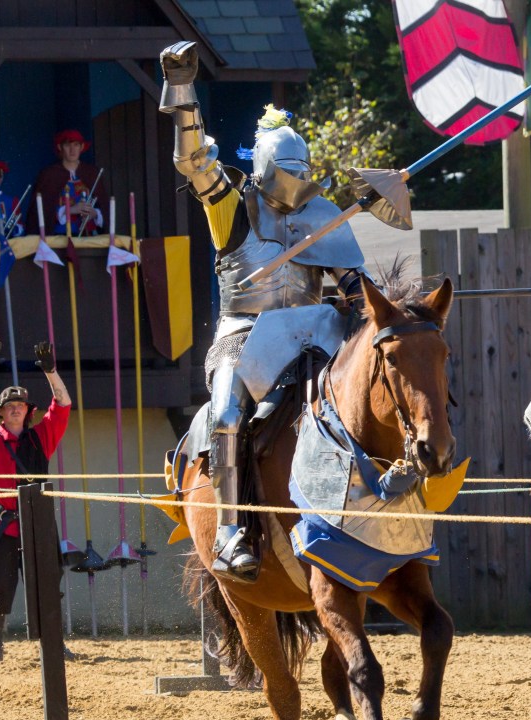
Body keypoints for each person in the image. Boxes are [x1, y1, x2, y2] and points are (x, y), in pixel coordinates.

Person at [159, 41, 374, 580]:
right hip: (245, 335)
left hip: (312, 334)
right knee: (230, 416)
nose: (295, 185)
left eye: (302, 172)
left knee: (367, 398)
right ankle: (231, 531)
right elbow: (193, 160)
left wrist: (373, 306)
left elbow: (351, 283)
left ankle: (378, 520)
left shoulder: (322, 217)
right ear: (264, 169)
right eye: (286, 171)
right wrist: (184, 95)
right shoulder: (233, 206)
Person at [0, 338, 72, 663]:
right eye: (9, 406)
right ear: (0, 412)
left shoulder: (42, 437)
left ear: (27, 411)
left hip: (39, 523)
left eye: (21, 405)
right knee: (0, 589)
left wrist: (51, 371)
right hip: (6, 526)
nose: (15, 408)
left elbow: (63, 404)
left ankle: (53, 645)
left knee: (48, 586)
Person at [31, 129, 106, 235]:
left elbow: (105, 208)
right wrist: (70, 210)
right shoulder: (49, 175)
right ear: (60, 147)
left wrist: (95, 214)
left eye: (76, 145)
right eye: (67, 145)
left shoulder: (92, 173)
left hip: (89, 238)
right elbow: (41, 212)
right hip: (59, 239)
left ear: (82, 147)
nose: (72, 150)